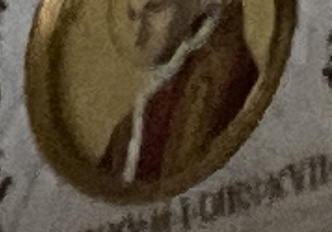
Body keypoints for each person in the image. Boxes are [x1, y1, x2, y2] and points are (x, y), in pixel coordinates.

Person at [97, 0, 258, 188]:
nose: (139, 34)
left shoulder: (218, 82)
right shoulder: (135, 120)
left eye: (155, 7)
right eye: (133, 15)